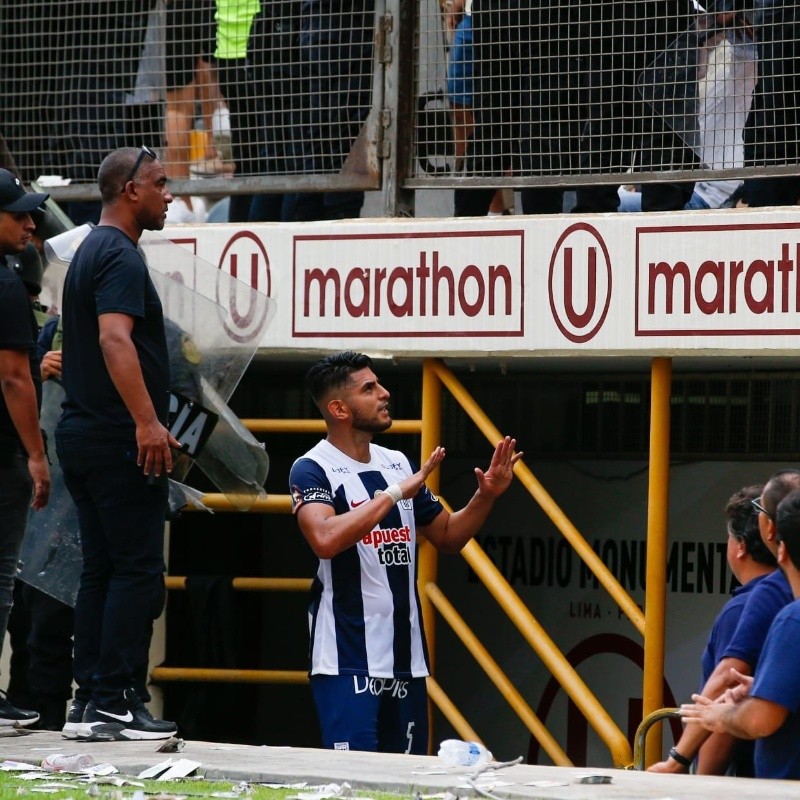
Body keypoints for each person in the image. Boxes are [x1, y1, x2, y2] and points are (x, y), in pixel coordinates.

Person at [289, 351, 521, 753]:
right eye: (369, 388)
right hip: (346, 656)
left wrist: (486, 496)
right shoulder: (311, 468)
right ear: (339, 409)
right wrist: (395, 494)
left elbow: (447, 535)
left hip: (406, 656)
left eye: (378, 383)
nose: (384, 393)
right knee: (356, 785)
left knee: (409, 782)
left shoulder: (396, 462)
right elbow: (324, 539)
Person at [54, 146, 180, 741]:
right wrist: (147, 422)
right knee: (136, 571)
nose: (169, 195)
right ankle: (117, 700)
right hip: (114, 438)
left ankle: (90, 702)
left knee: (101, 570)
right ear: (130, 191)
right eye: (159, 183)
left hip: (82, 434)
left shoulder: (88, 253)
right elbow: (113, 340)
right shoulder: (120, 257)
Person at [649, 468, 800, 773]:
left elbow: (752, 709)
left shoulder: (787, 616)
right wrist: (765, 687)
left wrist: (718, 719)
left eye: (761, 509)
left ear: (775, 538)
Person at [4, 246, 73, 731]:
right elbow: (15, 380)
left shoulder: (159, 338)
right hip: (41, 501)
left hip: (90, 503)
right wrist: (38, 370)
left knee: (58, 621)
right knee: (24, 615)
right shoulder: (47, 333)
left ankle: (61, 713)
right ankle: (28, 709)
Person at [0, 169, 51, 726]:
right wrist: (36, 455)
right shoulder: (5, 285)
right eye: (17, 214)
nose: (29, 222)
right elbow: (14, 377)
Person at [692, 485, 776, 775]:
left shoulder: (744, 608)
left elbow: (724, 697)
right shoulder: (787, 597)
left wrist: (698, 781)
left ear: (740, 546)